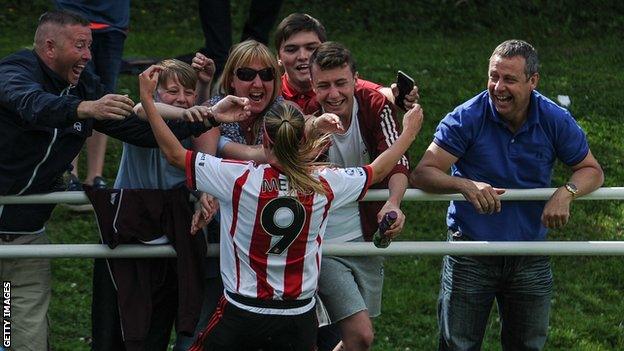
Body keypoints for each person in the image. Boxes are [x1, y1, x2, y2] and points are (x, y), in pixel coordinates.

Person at [137, 63, 424, 350]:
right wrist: (408, 133)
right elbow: (378, 168)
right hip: (297, 314)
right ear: (301, 140)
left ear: (265, 140)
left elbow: (175, 154)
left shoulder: (239, 177)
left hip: (243, 309)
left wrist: (148, 100)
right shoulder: (324, 182)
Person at [0, 10, 208, 350]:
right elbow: (31, 105)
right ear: (50, 47)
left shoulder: (83, 86)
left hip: (25, 239)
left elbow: (137, 131)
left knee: (17, 335)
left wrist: (208, 117)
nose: (88, 55)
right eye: (80, 46)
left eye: (90, 46)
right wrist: (83, 109)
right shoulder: (15, 72)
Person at [409, 39, 604, 351]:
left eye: (509, 79)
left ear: (533, 81)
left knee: (527, 346)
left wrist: (566, 192)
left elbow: (591, 170)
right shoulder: (467, 116)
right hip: (471, 250)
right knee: (457, 346)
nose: (498, 87)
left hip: (529, 251)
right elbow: (423, 172)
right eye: (493, 76)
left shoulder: (553, 118)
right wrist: (466, 184)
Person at [307, 41, 410, 351]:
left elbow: (397, 162)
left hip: (366, 235)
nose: (334, 93)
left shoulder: (375, 103)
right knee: (360, 334)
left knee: (356, 338)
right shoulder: (305, 116)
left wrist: (393, 202)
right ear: (312, 85)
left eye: (341, 83)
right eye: (323, 85)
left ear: (355, 79)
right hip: (321, 242)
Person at [274, 13, 419, 115]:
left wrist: (398, 96)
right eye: (292, 49)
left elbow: (373, 92)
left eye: (311, 48)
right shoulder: (271, 92)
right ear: (278, 57)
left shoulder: (339, 83)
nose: (303, 56)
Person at [55, 0, 130, 195]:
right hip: (72, 17)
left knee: (106, 98)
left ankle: (95, 176)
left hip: (113, 23)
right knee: (72, 94)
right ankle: (70, 175)